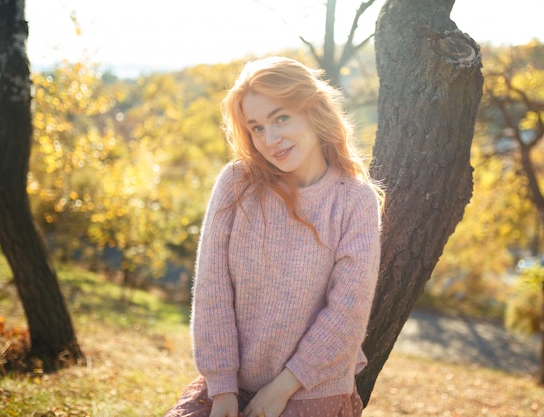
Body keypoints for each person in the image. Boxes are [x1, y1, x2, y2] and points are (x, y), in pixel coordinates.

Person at [163, 56, 383, 417]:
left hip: (310, 392)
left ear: (313, 110)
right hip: (230, 389)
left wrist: (282, 388)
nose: (271, 139)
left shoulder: (354, 200)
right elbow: (212, 291)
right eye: (257, 128)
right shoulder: (237, 184)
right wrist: (222, 390)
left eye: (281, 118)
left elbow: (347, 312)